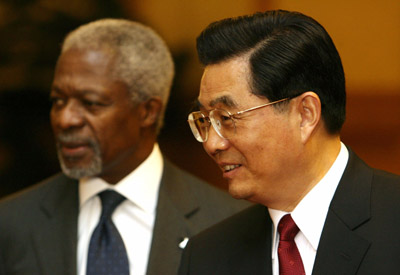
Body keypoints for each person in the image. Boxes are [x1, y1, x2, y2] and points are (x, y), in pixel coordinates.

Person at [0, 19, 248, 275]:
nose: (66, 119)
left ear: (147, 111)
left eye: (91, 103)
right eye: (58, 101)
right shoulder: (11, 224)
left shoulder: (229, 223)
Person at [180, 10, 400, 275]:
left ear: (305, 115)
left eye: (226, 118)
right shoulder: (208, 255)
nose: (212, 144)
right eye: (205, 120)